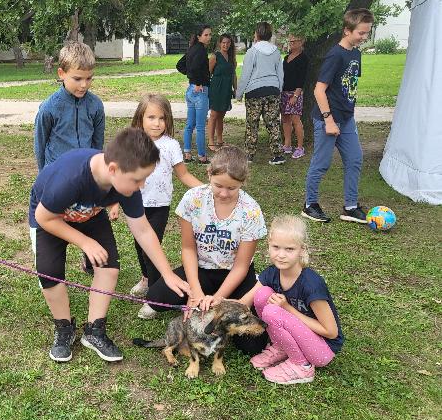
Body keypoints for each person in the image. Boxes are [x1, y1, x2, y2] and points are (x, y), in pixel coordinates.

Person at [29, 128, 192, 363]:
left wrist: (167, 274)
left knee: (109, 266)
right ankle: (64, 328)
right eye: (138, 180)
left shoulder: (126, 184)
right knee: (49, 273)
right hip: (52, 218)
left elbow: (143, 229)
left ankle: (94, 330)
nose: (142, 185)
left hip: (91, 214)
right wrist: (85, 242)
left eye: (145, 179)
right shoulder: (70, 177)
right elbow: (44, 217)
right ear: (113, 169)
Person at [141, 146, 269, 356]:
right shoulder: (193, 199)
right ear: (208, 173)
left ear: (242, 183)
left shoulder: (251, 210)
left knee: (253, 345)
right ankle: (197, 303)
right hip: (201, 269)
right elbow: (188, 248)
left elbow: (241, 266)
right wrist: (196, 292)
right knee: (156, 297)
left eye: (232, 188)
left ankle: (209, 305)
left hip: (234, 275)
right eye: (218, 185)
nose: (224, 193)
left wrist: (218, 300)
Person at [240, 215, 343, 384]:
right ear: (269, 245)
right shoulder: (272, 273)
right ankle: (282, 347)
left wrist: (287, 308)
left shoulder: (311, 284)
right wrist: (215, 305)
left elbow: (331, 332)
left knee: (273, 311)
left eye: (289, 249)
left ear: (302, 249)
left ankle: (301, 366)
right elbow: (246, 301)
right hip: (299, 335)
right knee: (262, 295)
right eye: (276, 247)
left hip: (322, 349)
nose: (281, 255)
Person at [34, 41, 105, 274]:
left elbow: (97, 144)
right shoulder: (49, 108)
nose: (84, 85)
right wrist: (45, 177)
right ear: (61, 73)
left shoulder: (95, 106)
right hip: (57, 178)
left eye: (89, 78)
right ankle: (55, 262)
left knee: (87, 218)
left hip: (86, 177)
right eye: (77, 78)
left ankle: (89, 258)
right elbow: (40, 144)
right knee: (58, 222)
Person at [127, 94, 202, 300]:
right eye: (151, 117)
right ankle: (145, 278)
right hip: (134, 204)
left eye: (162, 118)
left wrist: (206, 188)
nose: (157, 123)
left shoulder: (171, 146)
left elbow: (183, 175)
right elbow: (123, 175)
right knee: (139, 244)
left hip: (159, 206)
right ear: (140, 118)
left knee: (151, 248)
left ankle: (154, 294)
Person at [302, 9, 374, 224]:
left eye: (367, 33)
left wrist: (346, 115)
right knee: (321, 163)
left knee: (355, 159)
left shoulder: (356, 54)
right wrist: (329, 120)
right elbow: (318, 90)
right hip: (327, 118)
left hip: (347, 118)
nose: (364, 37)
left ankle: (350, 207)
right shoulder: (335, 55)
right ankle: (309, 204)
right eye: (361, 33)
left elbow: (347, 86)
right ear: (347, 30)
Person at [235, 22, 285, 165]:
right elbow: (280, 74)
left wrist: (239, 94)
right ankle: (278, 155)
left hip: (254, 91)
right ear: (270, 35)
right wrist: (279, 90)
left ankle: (249, 155)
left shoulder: (252, 51)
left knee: (252, 123)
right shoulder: (276, 52)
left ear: (257, 34)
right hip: (273, 90)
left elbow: (245, 75)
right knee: (273, 123)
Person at [183, 24, 212, 164]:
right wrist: (198, 83)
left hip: (190, 90)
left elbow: (180, 65)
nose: (208, 37)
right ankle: (202, 156)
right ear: (199, 36)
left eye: (210, 35)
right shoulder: (200, 50)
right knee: (200, 127)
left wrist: (191, 79)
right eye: (206, 35)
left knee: (190, 125)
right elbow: (194, 68)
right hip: (199, 91)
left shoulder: (191, 49)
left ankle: (187, 154)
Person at [207, 33, 237, 151]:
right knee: (214, 115)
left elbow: (233, 74)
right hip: (216, 88)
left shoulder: (231, 57)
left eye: (228, 42)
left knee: (221, 116)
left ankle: (220, 140)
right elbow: (207, 73)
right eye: (223, 42)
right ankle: (211, 142)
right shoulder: (215, 56)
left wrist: (235, 88)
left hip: (226, 89)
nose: (225, 45)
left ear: (230, 44)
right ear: (220, 43)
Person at [281, 35, 309, 159]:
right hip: (284, 92)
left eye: (294, 41)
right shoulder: (286, 57)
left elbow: (302, 79)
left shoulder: (303, 58)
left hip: (295, 93)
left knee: (296, 120)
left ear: (301, 42)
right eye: (290, 41)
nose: (291, 43)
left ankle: (300, 147)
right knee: (285, 119)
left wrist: (296, 95)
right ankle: (287, 144)